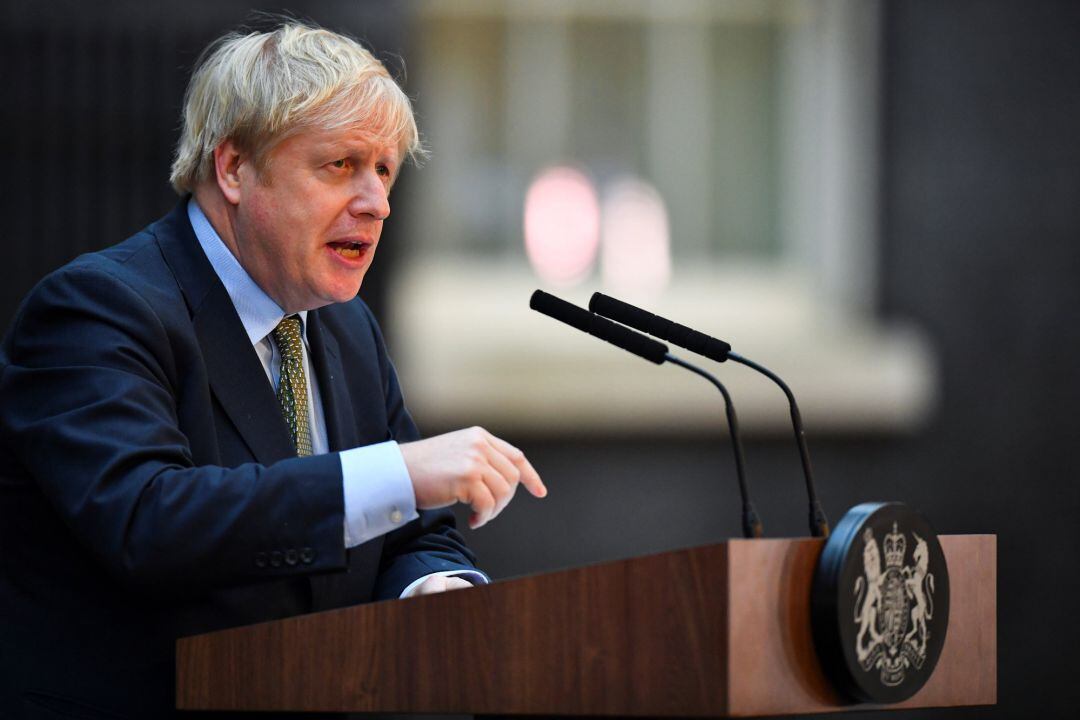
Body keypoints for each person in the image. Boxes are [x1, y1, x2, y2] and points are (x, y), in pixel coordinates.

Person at [0, 21, 545, 719]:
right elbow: (149, 520)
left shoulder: (345, 327)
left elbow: (410, 528)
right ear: (233, 169)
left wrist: (433, 590)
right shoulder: (98, 309)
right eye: (340, 165)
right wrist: (403, 471)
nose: (376, 202)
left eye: (384, 169)